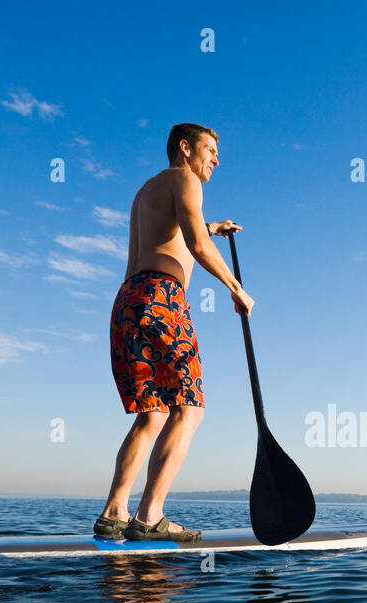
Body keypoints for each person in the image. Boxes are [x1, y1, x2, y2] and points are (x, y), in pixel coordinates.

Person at [95, 122, 255, 541]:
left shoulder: (147, 189)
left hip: (128, 302)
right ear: (185, 149)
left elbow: (177, 232)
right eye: (211, 151)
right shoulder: (185, 178)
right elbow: (196, 244)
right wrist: (236, 289)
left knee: (152, 415)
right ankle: (150, 516)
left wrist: (214, 226)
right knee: (190, 408)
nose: (216, 160)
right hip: (162, 298)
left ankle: (114, 511)